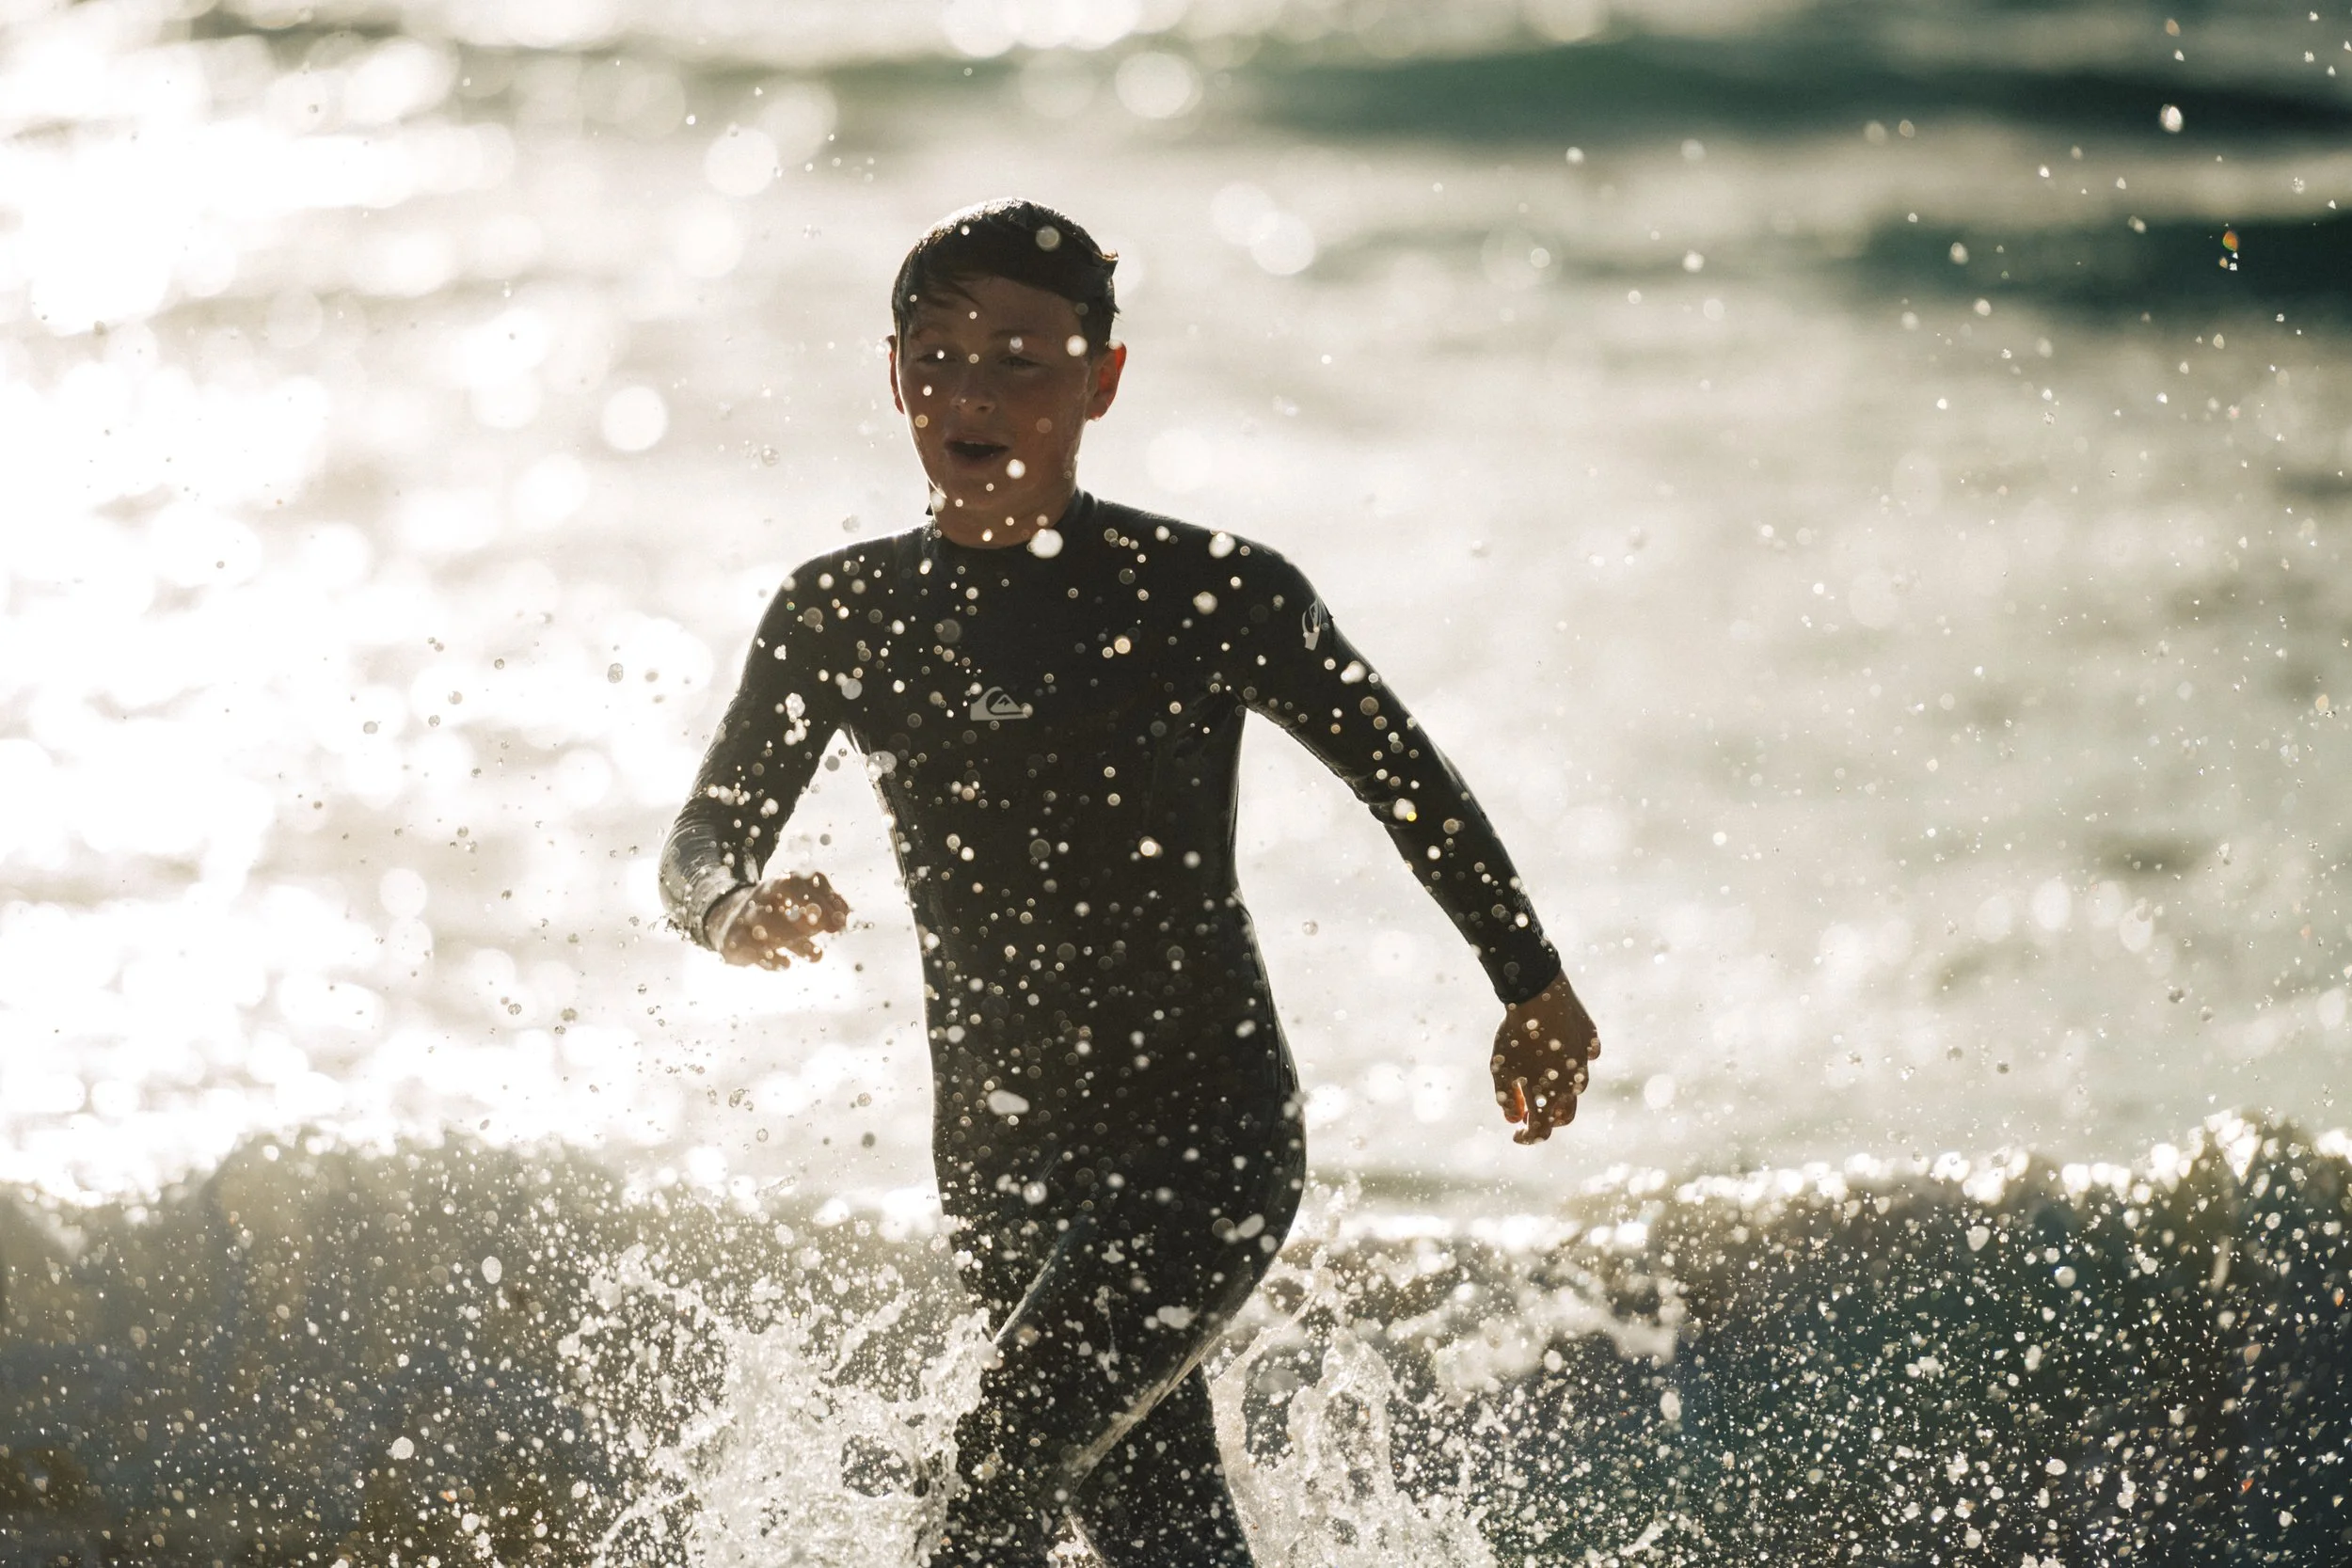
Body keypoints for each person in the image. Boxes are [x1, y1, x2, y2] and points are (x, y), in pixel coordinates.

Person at [660, 199, 1600, 1567]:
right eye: (937, 357)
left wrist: (1531, 981)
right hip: (1000, 1156)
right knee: (1165, 1538)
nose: (971, 395)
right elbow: (703, 837)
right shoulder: (839, 614)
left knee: (983, 1496)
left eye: (1021, 359)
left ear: (1102, 378)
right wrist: (732, 907)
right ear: (892, 372)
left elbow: (1406, 777)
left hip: (1204, 1131)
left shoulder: (1210, 593)